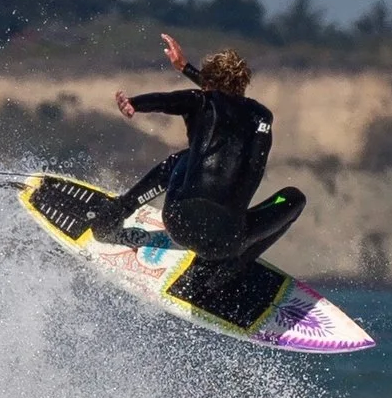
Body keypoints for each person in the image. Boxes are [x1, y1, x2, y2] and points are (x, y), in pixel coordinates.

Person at [83, 32, 307, 270]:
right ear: (244, 83)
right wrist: (186, 68)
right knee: (294, 198)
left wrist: (135, 104)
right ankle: (229, 269)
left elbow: (168, 100)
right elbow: (227, 102)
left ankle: (113, 217)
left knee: (182, 159)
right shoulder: (262, 117)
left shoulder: (199, 100)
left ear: (207, 83)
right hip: (228, 241)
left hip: (181, 223)